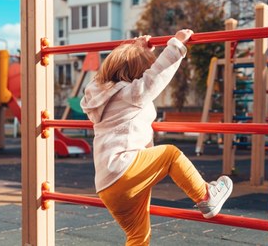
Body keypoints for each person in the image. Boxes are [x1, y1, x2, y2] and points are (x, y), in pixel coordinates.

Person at [80, 29, 233, 245]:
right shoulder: (131, 94)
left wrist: (137, 50)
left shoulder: (97, 94)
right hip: (124, 170)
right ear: (137, 74)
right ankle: (207, 197)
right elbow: (155, 78)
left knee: (138, 237)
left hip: (107, 186)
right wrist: (176, 46)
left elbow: (105, 79)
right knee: (170, 155)